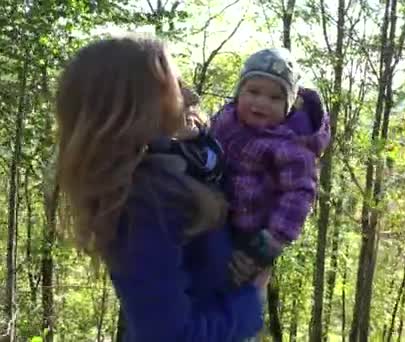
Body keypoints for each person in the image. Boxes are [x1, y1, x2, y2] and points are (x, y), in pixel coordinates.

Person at [54, 36, 267, 341]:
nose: (191, 97)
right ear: (137, 106)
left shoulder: (175, 170)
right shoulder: (143, 200)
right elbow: (168, 336)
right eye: (176, 86)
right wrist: (250, 300)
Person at [209, 47, 331, 285]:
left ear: (288, 105)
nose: (261, 102)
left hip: (251, 235)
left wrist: (271, 241)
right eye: (253, 91)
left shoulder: (291, 146)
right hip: (214, 219)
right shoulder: (226, 120)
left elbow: (298, 195)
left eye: (275, 97)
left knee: (242, 292)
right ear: (239, 92)